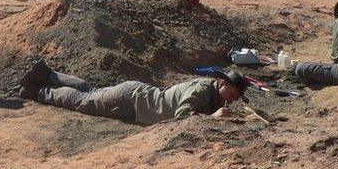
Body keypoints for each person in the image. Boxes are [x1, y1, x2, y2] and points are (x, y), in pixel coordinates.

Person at [17, 61, 249, 126]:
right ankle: (38, 91)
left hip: (133, 94)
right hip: (131, 102)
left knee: (91, 91)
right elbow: (183, 116)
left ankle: (46, 73)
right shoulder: (200, 90)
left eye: (237, 97)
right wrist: (213, 118)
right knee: (83, 101)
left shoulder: (212, 93)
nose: (233, 99)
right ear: (221, 83)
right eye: (233, 93)